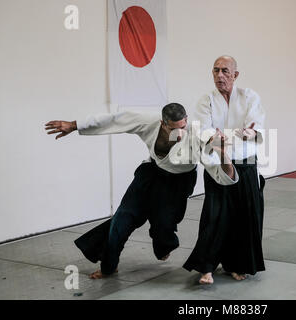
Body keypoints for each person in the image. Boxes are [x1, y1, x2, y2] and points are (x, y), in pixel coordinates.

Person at [45, 103, 238, 279]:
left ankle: (165, 245)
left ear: (186, 120)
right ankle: (109, 266)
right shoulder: (148, 121)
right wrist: (75, 125)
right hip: (150, 174)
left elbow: (221, 173)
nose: (179, 133)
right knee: (122, 218)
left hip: (177, 183)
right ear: (163, 123)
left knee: (163, 227)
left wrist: (222, 153)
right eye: (173, 129)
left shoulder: (198, 135)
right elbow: (115, 119)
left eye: (182, 127)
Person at [183, 56, 266, 284]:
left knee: (245, 216)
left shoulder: (249, 96)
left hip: (246, 162)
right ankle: (206, 266)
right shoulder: (206, 100)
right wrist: (214, 137)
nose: (220, 75)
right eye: (216, 70)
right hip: (218, 162)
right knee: (215, 214)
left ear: (235, 75)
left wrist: (251, 132)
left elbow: (256, 123)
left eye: (225, 71)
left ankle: (237, 265)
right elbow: (203, 129)